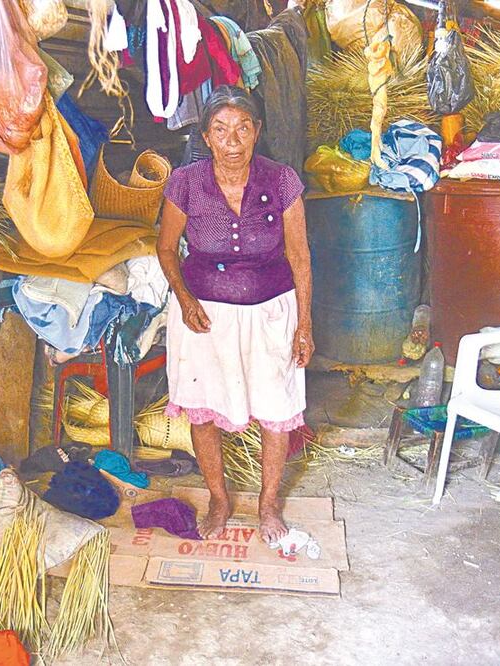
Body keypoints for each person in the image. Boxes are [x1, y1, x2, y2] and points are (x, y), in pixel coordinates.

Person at [157, 85, 313, 543]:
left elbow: (300, 256)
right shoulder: (185, 182)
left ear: (257, 131)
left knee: (275, 405)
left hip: (271, 312)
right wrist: (185, 299)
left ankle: (268, 504)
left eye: (243, 128)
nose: (232, 140)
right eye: (221, 129)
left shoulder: (282, 180)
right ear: (206, 136)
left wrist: (305, 324)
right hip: (203, 318)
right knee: (204, 409)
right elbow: (166, 248)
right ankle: (218, 499)